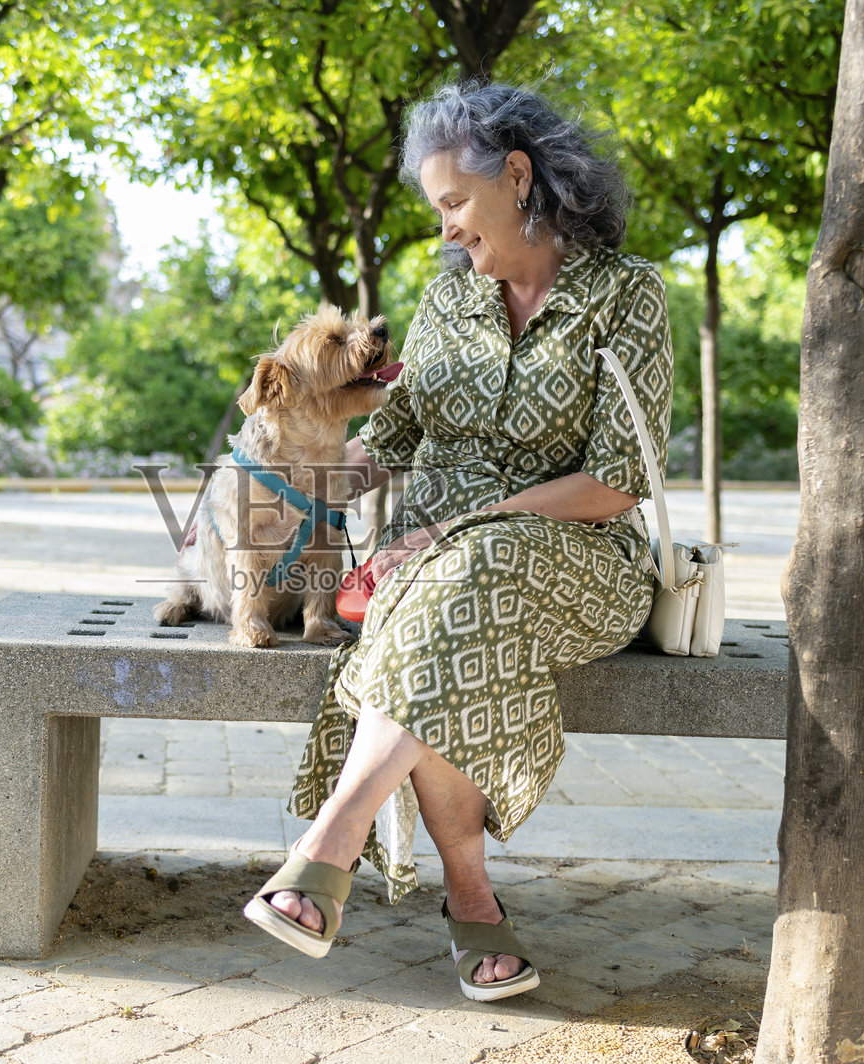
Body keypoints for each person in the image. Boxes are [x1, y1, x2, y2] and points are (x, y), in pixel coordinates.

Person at [241, 81, 674, 1003]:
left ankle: (330, 839)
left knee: (467, 576)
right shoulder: (448, 306)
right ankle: (472, 906)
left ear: (517, 177)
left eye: (453, 204)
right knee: (452, 609)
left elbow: (618, 478)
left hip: (580, 555)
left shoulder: (626, 293)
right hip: (430, 563)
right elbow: (384, 447)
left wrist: (469, 521)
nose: (444, 230)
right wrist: (274, 466)